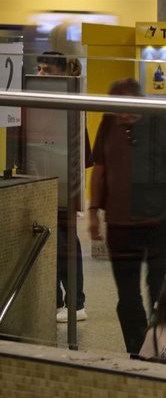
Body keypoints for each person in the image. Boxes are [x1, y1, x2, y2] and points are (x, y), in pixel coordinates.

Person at [89, 78, 166, 355]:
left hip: (157, 222)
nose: (121, 115)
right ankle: (138, 350)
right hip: (119, 223)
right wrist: (92, 211)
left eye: (126, 108)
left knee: (157, 288)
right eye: (117, 108)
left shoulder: (161, 123)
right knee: (127, 296)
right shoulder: (108, 122)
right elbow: (99, 169)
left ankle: (161, 346)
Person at [36, 51, 89, 323]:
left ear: (61, 74)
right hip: (44, 179)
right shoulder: (41, 101)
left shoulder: (71, 102)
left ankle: (75, 302)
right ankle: (57, 300)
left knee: (65, 243)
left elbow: (83, 154)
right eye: (39, 69)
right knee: (53, 242)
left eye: (46, 70)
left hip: (65, 184)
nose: (40, 75)